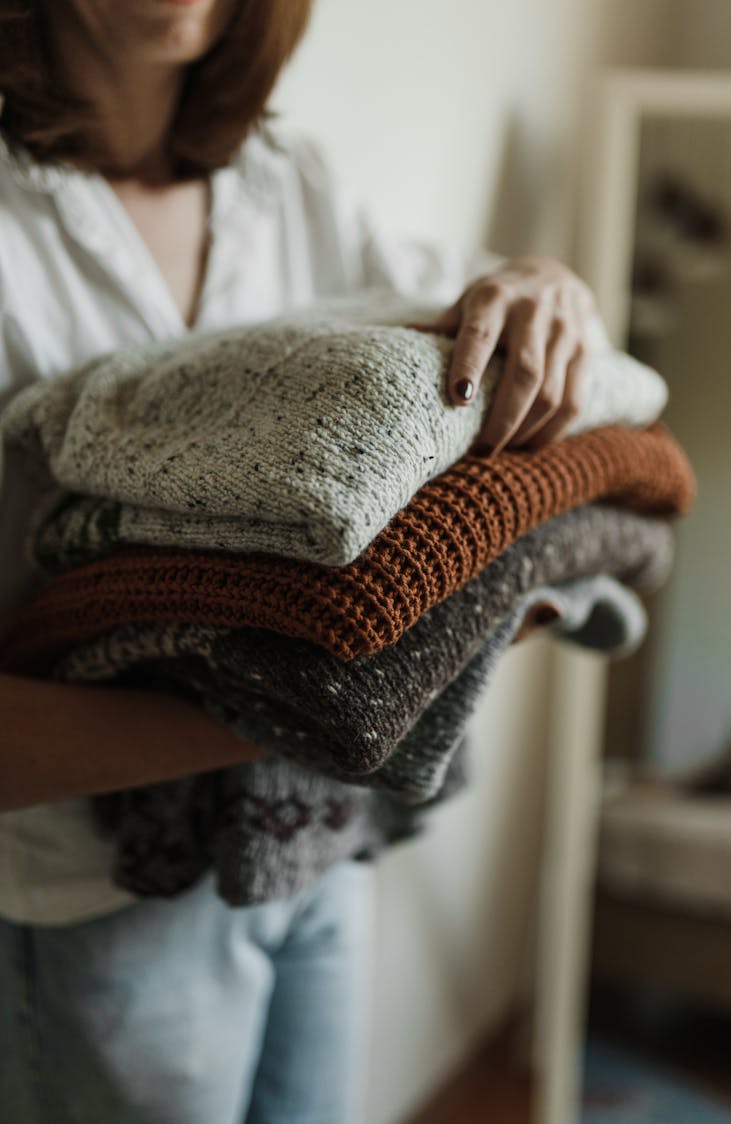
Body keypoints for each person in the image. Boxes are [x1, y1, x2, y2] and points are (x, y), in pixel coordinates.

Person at [0, 2, 596, 1121]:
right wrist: (318, 703)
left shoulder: (289, 179)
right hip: (96, 893)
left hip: (311, 840)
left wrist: (544, 284)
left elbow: (477, 329)